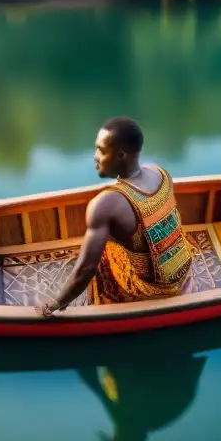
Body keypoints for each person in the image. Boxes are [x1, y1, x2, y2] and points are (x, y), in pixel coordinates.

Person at [39, 117, 194, 318]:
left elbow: (86, 269)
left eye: (101, 150)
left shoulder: (106, 204)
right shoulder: (160, 172)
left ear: (120, 155)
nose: (95, 157)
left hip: (153, 287)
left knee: (105, 251)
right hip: (180, 267)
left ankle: (114, 302)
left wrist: (56, 304)